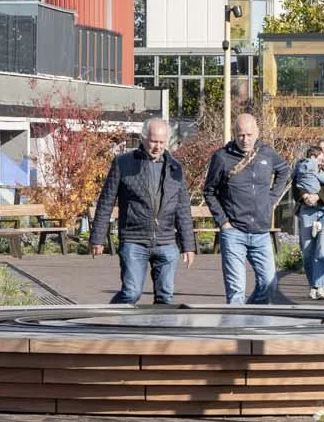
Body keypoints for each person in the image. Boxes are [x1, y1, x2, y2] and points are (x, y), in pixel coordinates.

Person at [89, 117, 194, 306]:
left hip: (166, 241)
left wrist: (188, 245)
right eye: (154, 141)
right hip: (134, 239)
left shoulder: (175, 168)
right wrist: (97, 237)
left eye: (162, 142)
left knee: (165, 297)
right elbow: (105, 202)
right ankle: (110, 321)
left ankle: (159, 334)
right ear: (143, 138)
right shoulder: (124, 163)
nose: (158, 147)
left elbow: (183, 207)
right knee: (131, 293)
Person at [205, 112, 292, 306]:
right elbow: (209, 191)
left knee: (269, 285)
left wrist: (272, 198)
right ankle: (237, 331)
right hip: (234, 231)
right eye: (241, 135)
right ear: (234, 134)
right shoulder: (222, 157)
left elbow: (284, 170)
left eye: (249, 135)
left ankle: (253, 320)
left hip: (260, 232)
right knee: (236, 291)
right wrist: (223, 222)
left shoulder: (267, 153)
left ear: (257, 133)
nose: (245, 140)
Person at [291, 143, 324, 301]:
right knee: (307, 250)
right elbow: (295, 187)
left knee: (322, 248)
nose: (323, 152)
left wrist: (317, 198)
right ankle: (312, 285)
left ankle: (319, 286)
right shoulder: (311, 166)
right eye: (321, 149)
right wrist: (306, 197)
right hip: (307, 209)